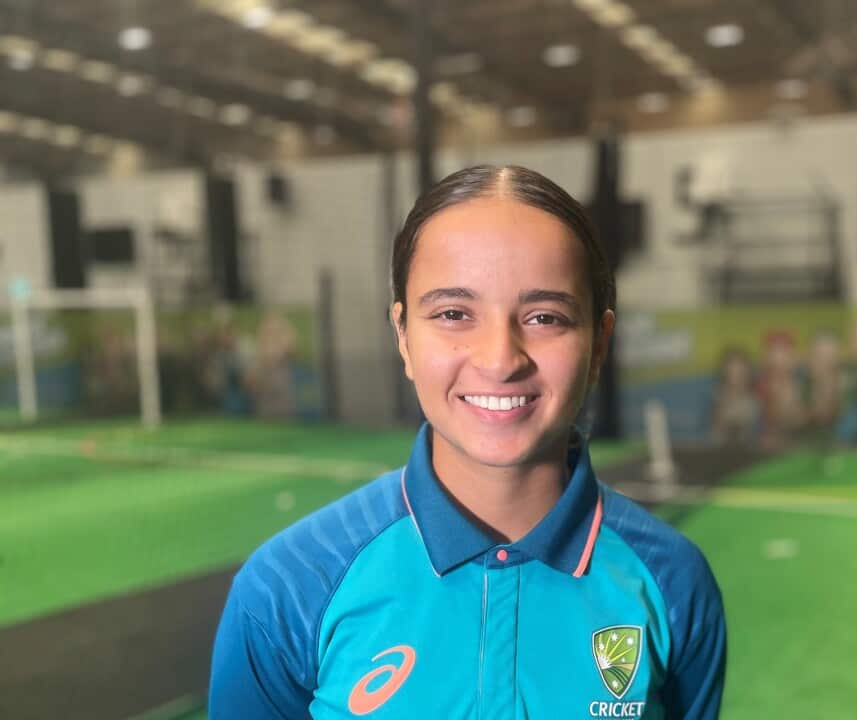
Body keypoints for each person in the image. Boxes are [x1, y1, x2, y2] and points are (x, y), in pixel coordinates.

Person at [209, 166, 727, 719]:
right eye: (454, 314)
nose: (500, 360)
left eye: (545, 317)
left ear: (599, 344)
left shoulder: (672, 581)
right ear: (403, 336)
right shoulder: (290, 586)